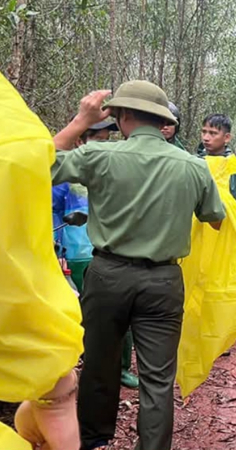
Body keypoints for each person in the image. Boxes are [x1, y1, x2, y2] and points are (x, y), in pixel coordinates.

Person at [51, 82, 226, 450]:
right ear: (160, 119)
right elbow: (215, 217)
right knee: (158, 379)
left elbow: (39, 164)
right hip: (163, 281)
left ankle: (93, 440)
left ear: (124, 115)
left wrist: (81, 121)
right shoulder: (193, 167)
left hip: (107, 276)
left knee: (99, 364)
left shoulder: (99, 156)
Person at [51, 118, 140, 391]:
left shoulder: (118, 166)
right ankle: (82, 365)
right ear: (81, 141)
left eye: (107, 139)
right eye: (98, 139)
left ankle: (121, 368)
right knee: (77, 314)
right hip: (75, 253)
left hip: (111, 252)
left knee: (120, 315)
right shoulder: (68, 170)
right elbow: (51, 207)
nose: (104, 145)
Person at [200, 113, 236, 221]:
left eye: (213, 133)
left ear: (226, 137)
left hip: (229, 229)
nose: (206, 138)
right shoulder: (194, 163)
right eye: (204, 132)